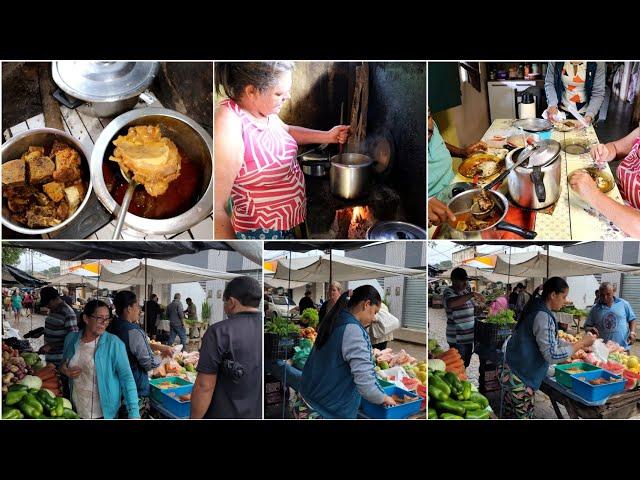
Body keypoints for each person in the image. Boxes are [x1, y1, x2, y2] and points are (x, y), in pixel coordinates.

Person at [214, 62, 350, 239]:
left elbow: (285, 131)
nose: (288, 97)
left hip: (287, 222)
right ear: (251, 91)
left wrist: (328, 136)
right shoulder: (228, 122)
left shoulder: (262, 110)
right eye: (279, 93)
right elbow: (217, 207)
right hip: (262, 232)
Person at [501, 277, 595, 419]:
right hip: (520, 378)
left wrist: (575, 346)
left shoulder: (537, 306)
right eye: (563, 297)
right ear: (552, 295)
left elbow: (552, 341)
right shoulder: (542, 315)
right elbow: (551, 355)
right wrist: (580, 343)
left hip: (513, 370)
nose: (564, 301)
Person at [298, 286, 397, 419]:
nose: (374, 318)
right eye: (374, 312)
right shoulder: (353, 331)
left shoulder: (336, 320)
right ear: (366, 304)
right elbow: (366, 385)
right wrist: (383, 397)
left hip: (307, 403)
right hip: (324, 412)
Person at [191, 276, 262, 419]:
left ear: (231, 302)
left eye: (224, 302)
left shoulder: (218, 332)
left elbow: (204, 386)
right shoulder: (267, 329)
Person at [60, 300, 140, 419]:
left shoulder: (114, 344)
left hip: (103, 413)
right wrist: (64, 370)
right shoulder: (71, 339)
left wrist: (134, 413)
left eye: (107, 318)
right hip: (77, 408)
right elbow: (63, 365)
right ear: (86, 318)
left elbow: (127, 378)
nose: (104, 323)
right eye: (99, 318)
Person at [109, 291, 173, 418]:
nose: (139, 310)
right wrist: (163, 356)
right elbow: (149, 364)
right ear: (129, 308)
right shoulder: (133, 331)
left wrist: (157, 346)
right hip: (134, 389)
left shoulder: (112, 326)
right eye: (137, 306)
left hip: (115, 386)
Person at [569, 124, 640, 238]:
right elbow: (616, 148)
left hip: (629, 231)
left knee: (607, 253)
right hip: (615, 202)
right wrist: (605, 151)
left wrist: (594, 195)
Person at [427, 110, 487, 227]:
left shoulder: (430, 127)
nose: (427, 126)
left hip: (456, 187)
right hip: (435, 213)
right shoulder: (390, 151)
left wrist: (462, 152)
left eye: (428, 116)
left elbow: (438, 143)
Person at [442, 268, 485, 368]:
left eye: (466, 280)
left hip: (468, 338)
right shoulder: (448, 292)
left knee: (465, 364)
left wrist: (481, 307)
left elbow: (472, 308)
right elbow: (451, 303)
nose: (465, 283)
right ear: (454, 280)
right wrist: (472, 294)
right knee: (458, 366)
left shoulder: (465, 292)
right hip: (458, 339)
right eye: (462, 281)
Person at [585, 282, 637, 351]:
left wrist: (632, 333)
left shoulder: (623, 304)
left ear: (613, 292)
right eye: (602, 295)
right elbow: (586, 326)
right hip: (603, 350)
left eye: (608, 294)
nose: (605, 297)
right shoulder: (595, 309)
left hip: (622, 348)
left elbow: (632, 319)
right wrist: (590, 329)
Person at [39, 286, 79, 367]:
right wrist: (42, 332)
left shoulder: (68, 313)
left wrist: (51, 345)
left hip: (61, 360)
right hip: (50, 358)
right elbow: (56, 328)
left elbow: (73, 338)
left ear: (56, 299)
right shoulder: (53, 309)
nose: (47, 306)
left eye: (48, 303)